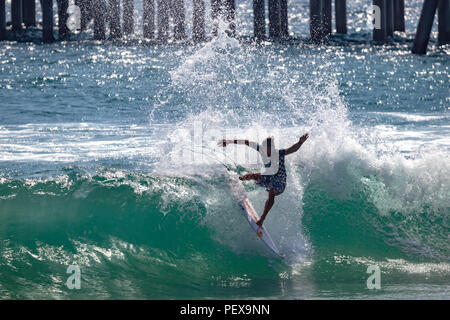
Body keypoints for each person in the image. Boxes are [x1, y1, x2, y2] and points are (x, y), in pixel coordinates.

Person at [219, 133, 309, 228]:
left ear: (273, 148)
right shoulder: (261, 149)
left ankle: (262, 219)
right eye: (266, 150)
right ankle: (237, 181)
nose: (268, 153)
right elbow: (246, 142)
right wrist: (229, 141)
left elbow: (293, 149)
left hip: (280, 183)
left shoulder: (279, 153)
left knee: (271, 192)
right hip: (268, 178)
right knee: (253, 175)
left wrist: (300, 142)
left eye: (270, 150)